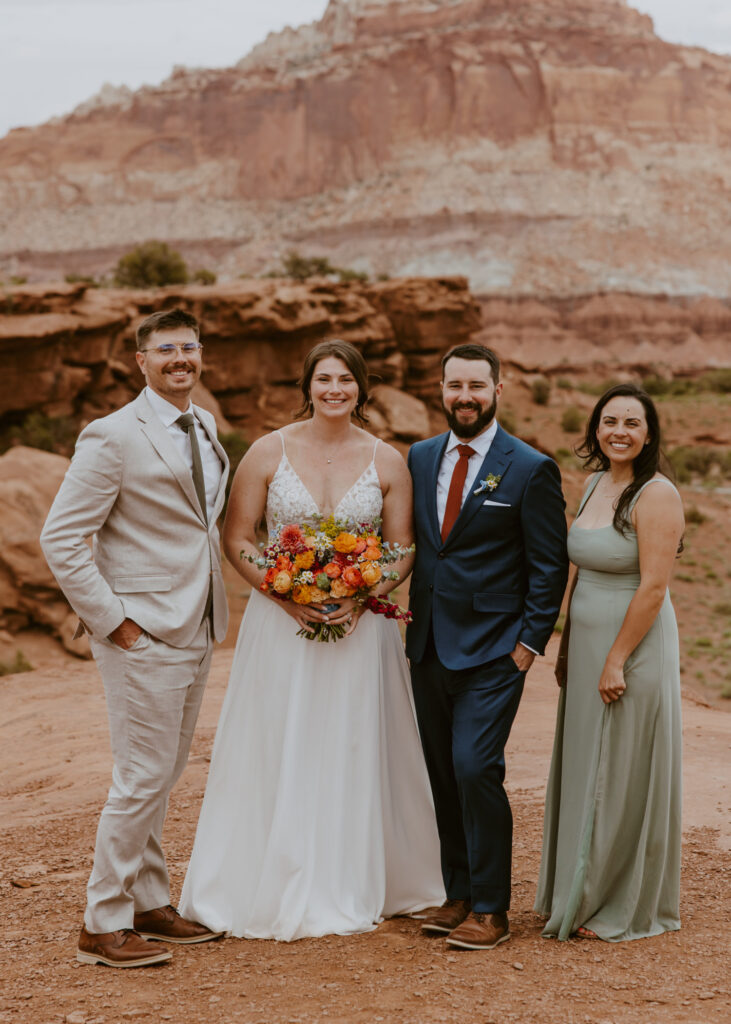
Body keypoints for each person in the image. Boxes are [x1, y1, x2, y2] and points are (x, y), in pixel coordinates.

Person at [179, 339, 444, 940]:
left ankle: (356, 876)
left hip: (362, 626)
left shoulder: (388, 460)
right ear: (308, 387)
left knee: (353, 741)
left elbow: (403, 549)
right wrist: (283, 593)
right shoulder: (267, 451)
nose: (334, 390)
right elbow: (239, 537)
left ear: (360, 389)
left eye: (345, 380)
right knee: (280, 739)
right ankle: (265, 874)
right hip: (282, 627)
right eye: (324, 379)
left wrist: (360, 594)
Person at [40, 308, 229, 967]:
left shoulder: (202, 424)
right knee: (142, 773)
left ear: (200, 355)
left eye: (189, 347)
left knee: (163, 772)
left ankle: (149, 901)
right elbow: (61, 538)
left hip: (197, 622)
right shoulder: (111, 436)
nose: (180, 358)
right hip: (141, 630)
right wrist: (114, 621)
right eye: (165, 350)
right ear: (140, 362)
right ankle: (102, 918)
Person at [407, 343, 568, 950]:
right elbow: (421, 547)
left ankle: (493, 909)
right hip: (426, 644)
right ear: (441, 389)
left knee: (477, 767)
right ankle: (458, 894)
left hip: (496, 649)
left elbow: (549, 567)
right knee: (443, 772)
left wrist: (528, 643)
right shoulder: (420, 458)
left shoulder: (529, 467)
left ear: (498, 389)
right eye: (454, 386)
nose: (465, 397)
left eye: (476, 385)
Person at [535, 383, 684, 942]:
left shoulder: (657, 493)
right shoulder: (595, 483)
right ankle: (576, 890)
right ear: (595, 428)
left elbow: (653, 587)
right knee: (584, 763)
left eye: (632, 423)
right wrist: (571, 648)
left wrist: (616, 659)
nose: (619, 431)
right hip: (591, 641)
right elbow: (581, 574)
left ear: (649, 434)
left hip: (635, 646)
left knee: (620, 770)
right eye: (609, 421)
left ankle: (617, 902)